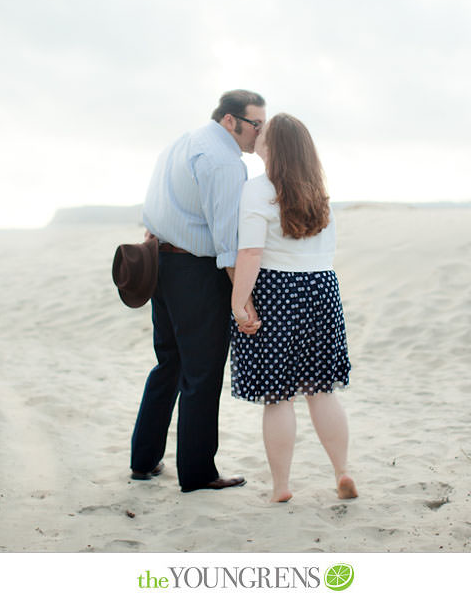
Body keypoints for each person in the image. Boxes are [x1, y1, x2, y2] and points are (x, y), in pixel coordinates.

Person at [131, 90, 265, 492]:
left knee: (168, 364)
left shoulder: (182, 142)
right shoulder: (225, 161)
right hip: (196, 271)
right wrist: (243, 300)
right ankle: (198, 473)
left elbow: (152, 208)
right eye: (255, 124)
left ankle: (143, 461)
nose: (260, 134)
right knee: (202, 374)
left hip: (162, 266)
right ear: (230, 121)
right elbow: (227, 247)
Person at [230, 113, 357, 503]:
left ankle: (282, 487)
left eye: (263, 133)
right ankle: (342, 471)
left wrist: (238, 302)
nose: (258, 136)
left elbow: (251, 252)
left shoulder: (258, 188)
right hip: (321, 289)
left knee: (277, 397)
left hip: (276, 289)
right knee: (321, 392)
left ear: (274, 147)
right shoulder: (318, 191)